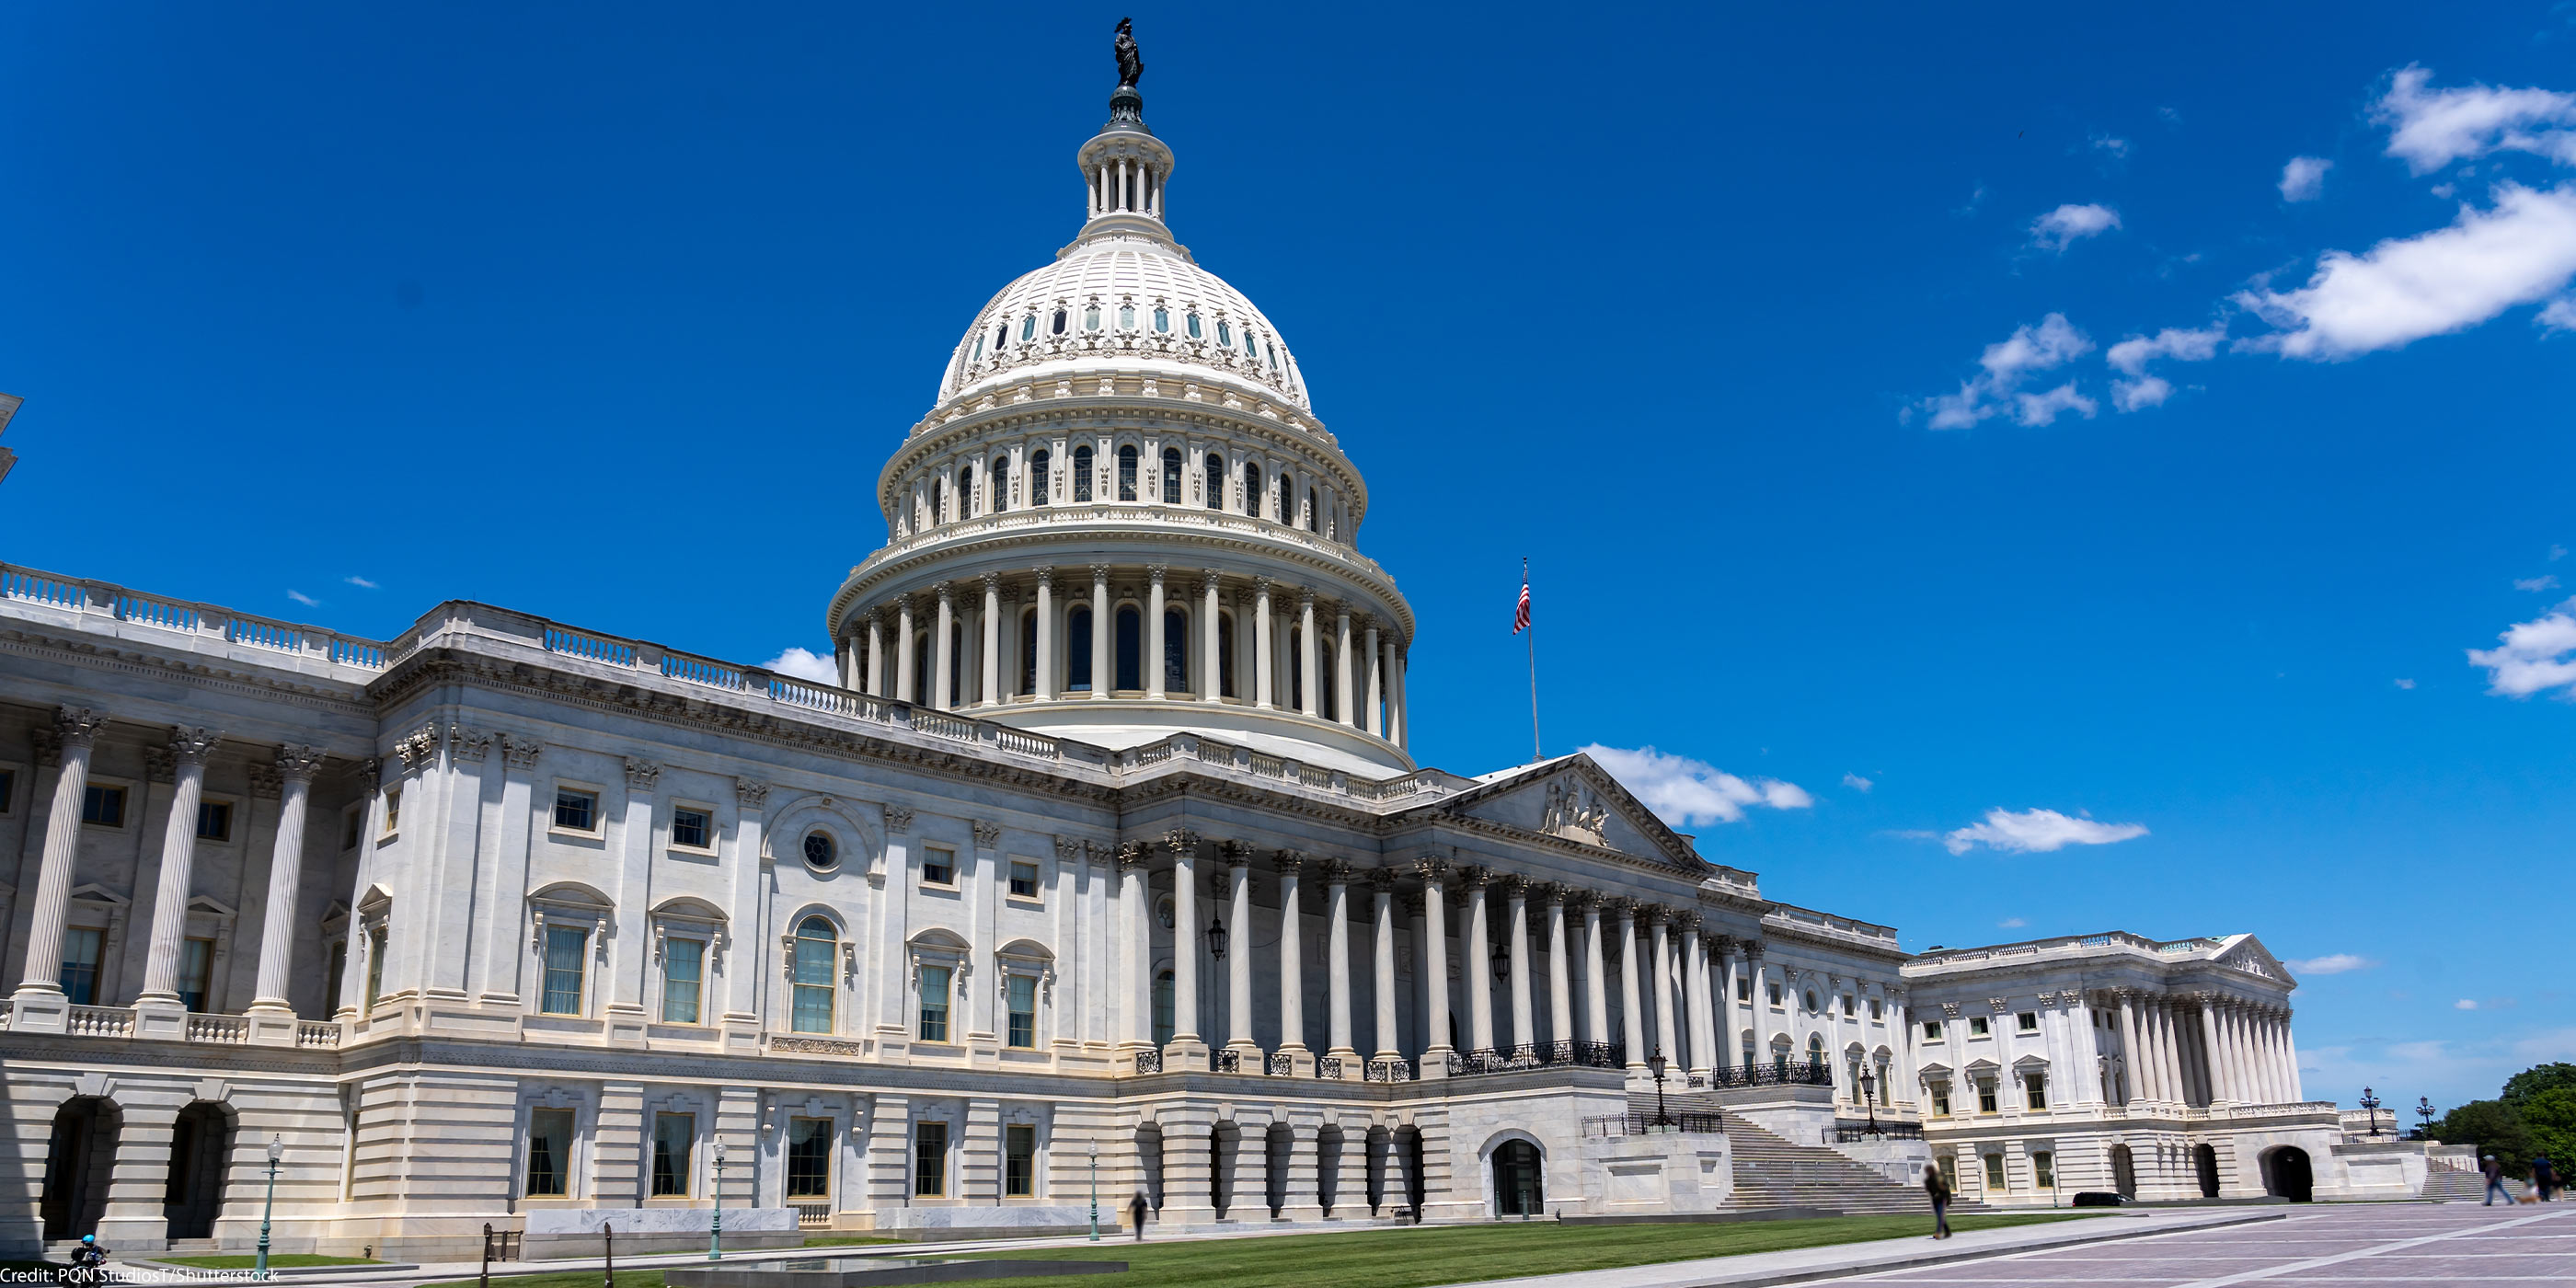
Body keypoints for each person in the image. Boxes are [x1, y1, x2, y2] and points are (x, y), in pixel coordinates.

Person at [1924, 1164, 1952, 1238]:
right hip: (1935, 1200)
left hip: (1942, 1198)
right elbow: (1929, 1190)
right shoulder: (1928, 1180)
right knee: (1940, 1216)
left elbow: (1945, 1187)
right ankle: (1948, 1231)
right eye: (1927, 1171)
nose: (1928, 1172)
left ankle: (1938, 1232)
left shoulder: (1939, 1176)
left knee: (1940, 1215)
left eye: (1929, 1171)